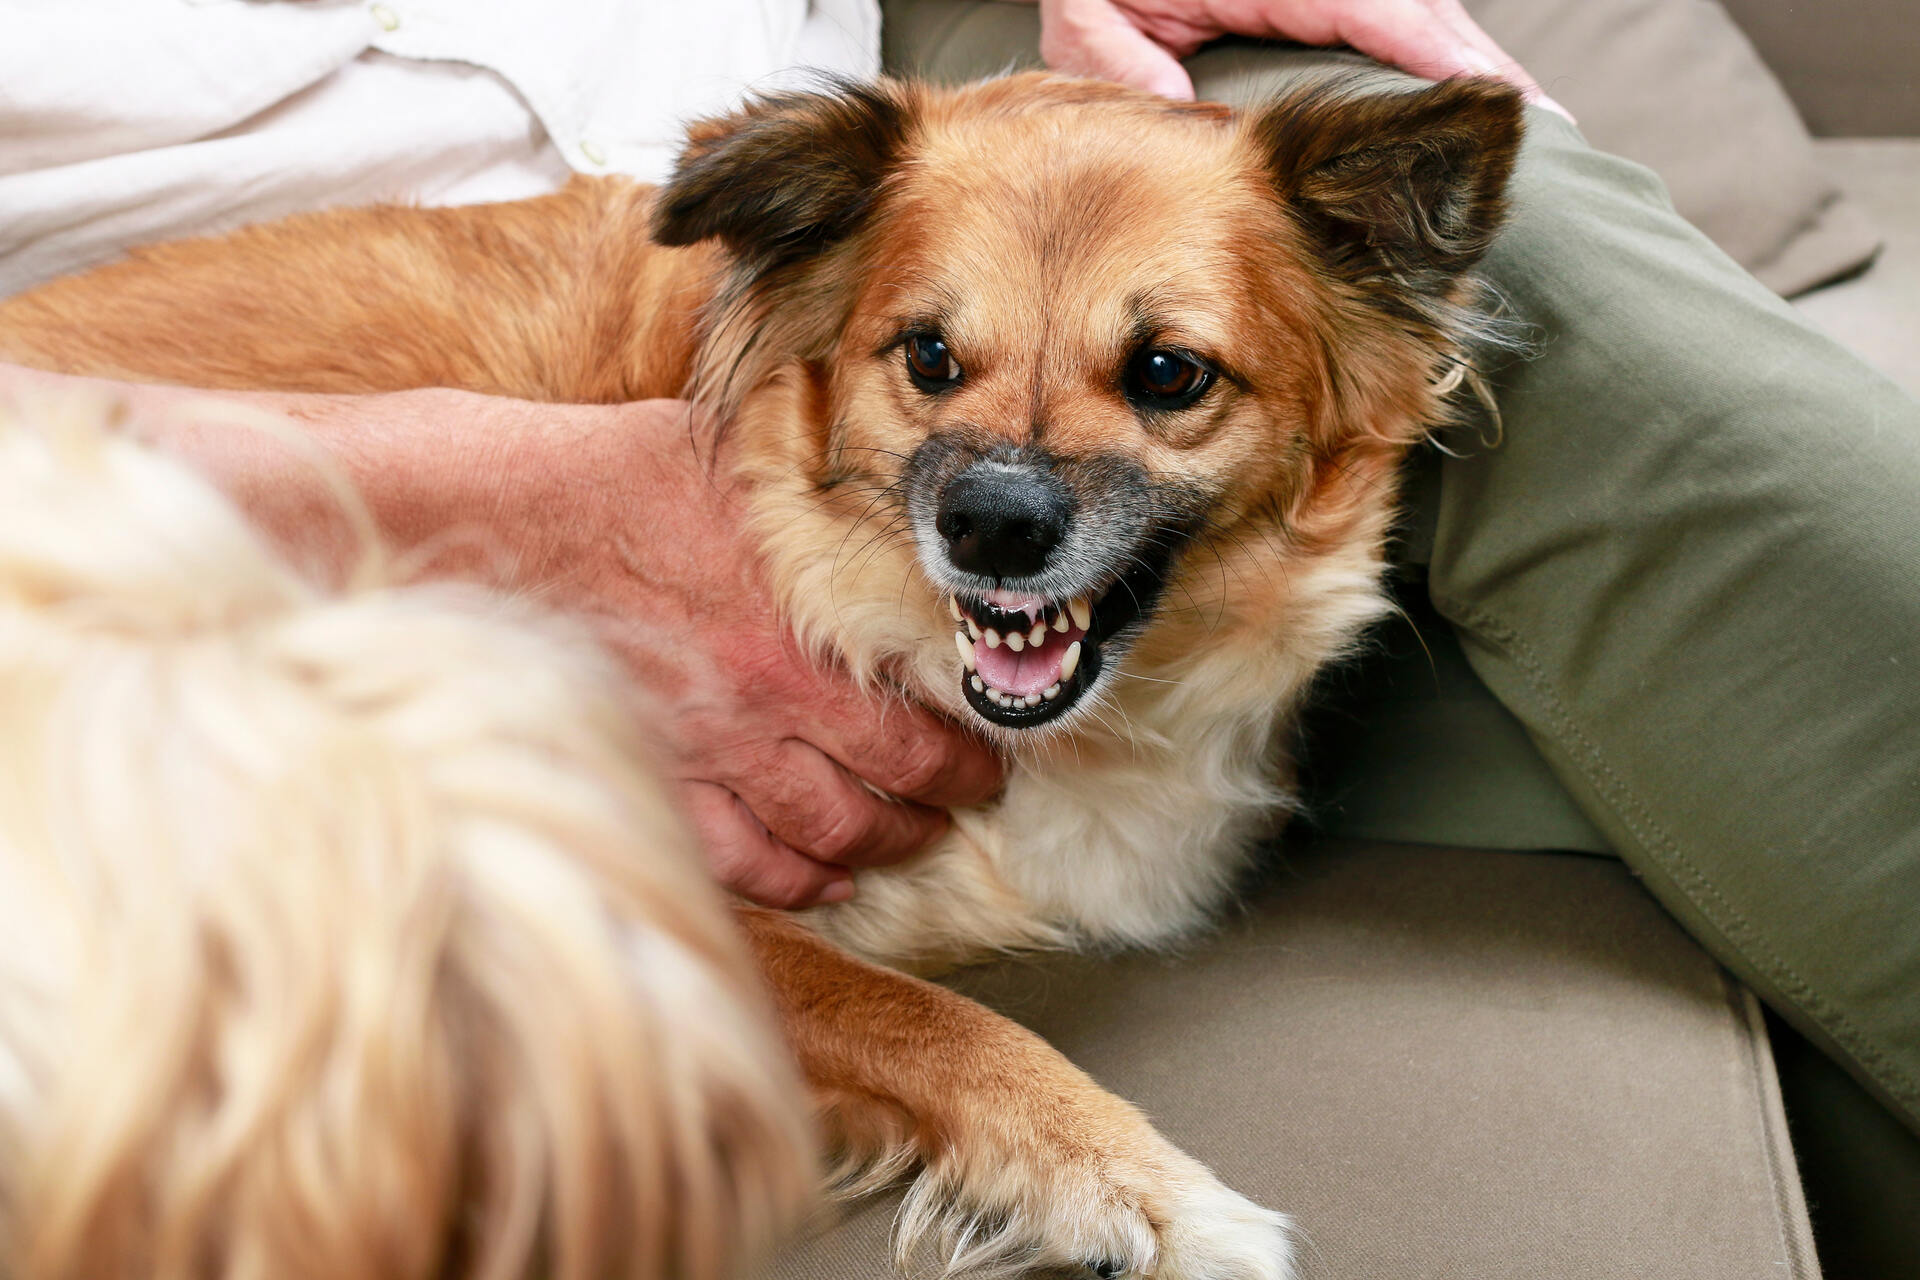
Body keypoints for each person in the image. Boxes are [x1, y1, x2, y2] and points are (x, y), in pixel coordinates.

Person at [3, 0, 1916, 1206]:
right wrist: (434, 491)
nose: (1005, 493)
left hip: (851, 50)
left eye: (1157, 383)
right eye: (940, 380)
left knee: (1549, 250)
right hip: (237, 324)